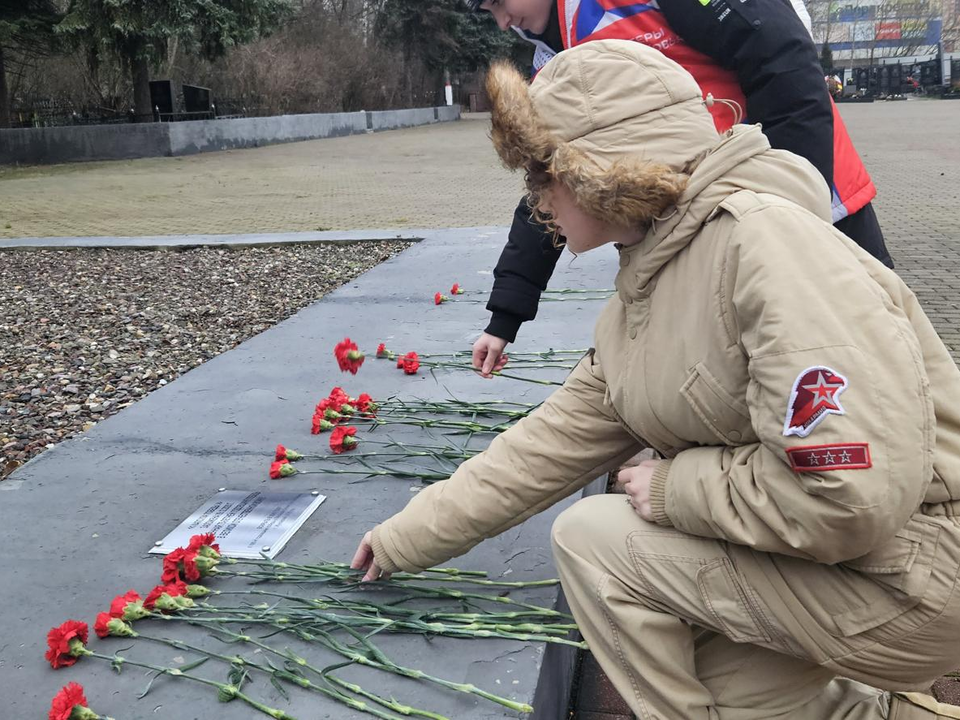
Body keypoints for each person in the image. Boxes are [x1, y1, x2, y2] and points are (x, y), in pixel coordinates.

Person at [353, 41, 960, 719]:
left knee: (594, 540)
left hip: (915, 580)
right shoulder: (648, 288)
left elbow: (849, 494)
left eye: (542, 173)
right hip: (845, 565)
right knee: (742, 694)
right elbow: (544, 448)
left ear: (601, 168)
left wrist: (676, 488)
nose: (534, 200)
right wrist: (402, 538)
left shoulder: (766, 248)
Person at [465, 0, 893, 378]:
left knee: (869, 354)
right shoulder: (553, 61)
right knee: (749, 370)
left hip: (805, 200)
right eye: (490, 14)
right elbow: (552, 189)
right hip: (693, 232)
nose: (502, 22)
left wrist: (790, 208)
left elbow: (783, 60)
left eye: (499, 3)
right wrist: (505, 318)